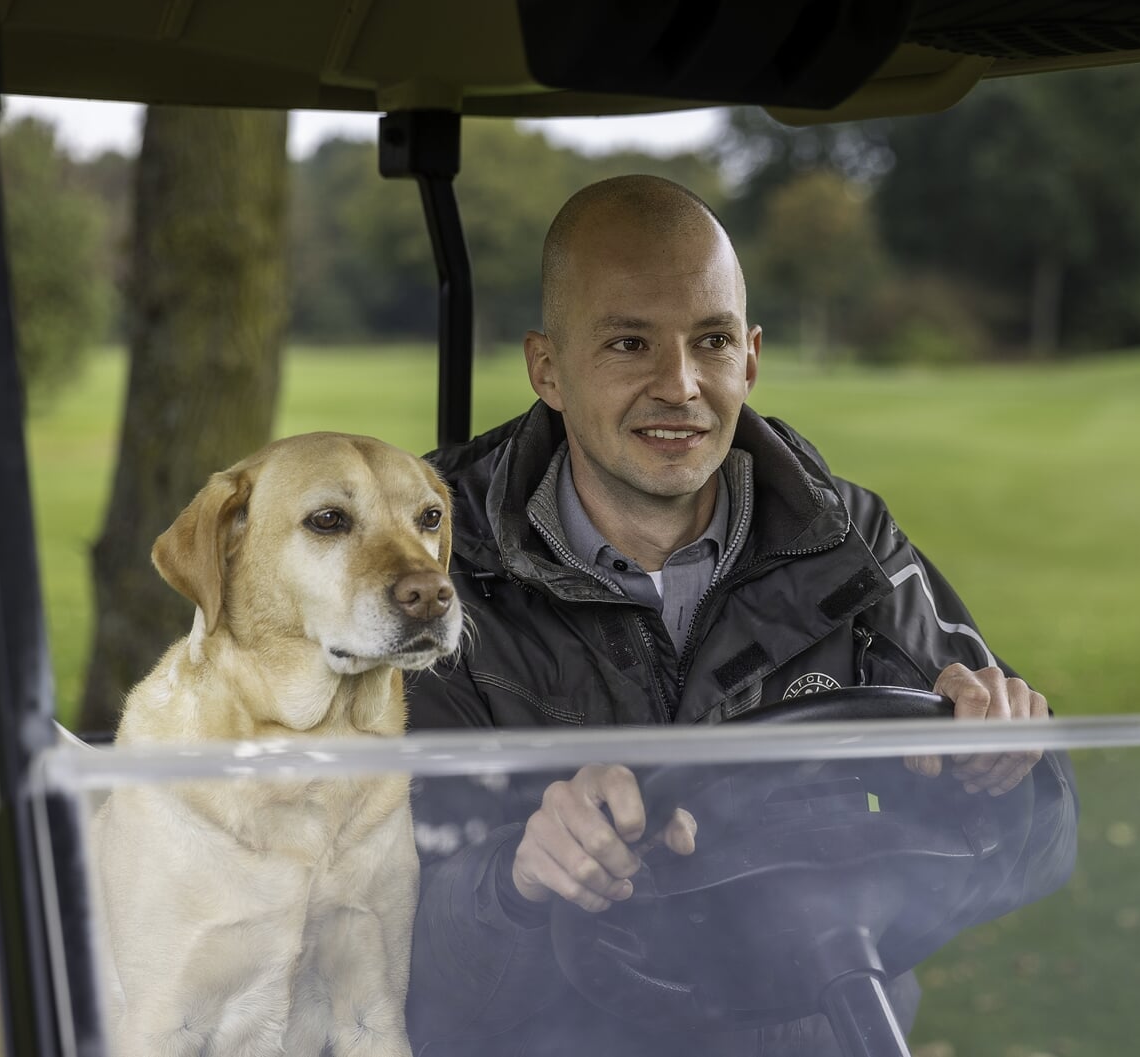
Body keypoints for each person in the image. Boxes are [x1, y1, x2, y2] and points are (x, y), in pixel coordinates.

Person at [402, 175, 1078, 1055]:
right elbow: (400, 933)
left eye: (710, 340)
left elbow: (1044, 842)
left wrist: (1001, 768)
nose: (679, 385)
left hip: (819, 1026)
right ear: (548, 368)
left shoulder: (847, 540)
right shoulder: (439, 574)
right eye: (630, 342)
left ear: (750, 357)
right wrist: (518, 874)